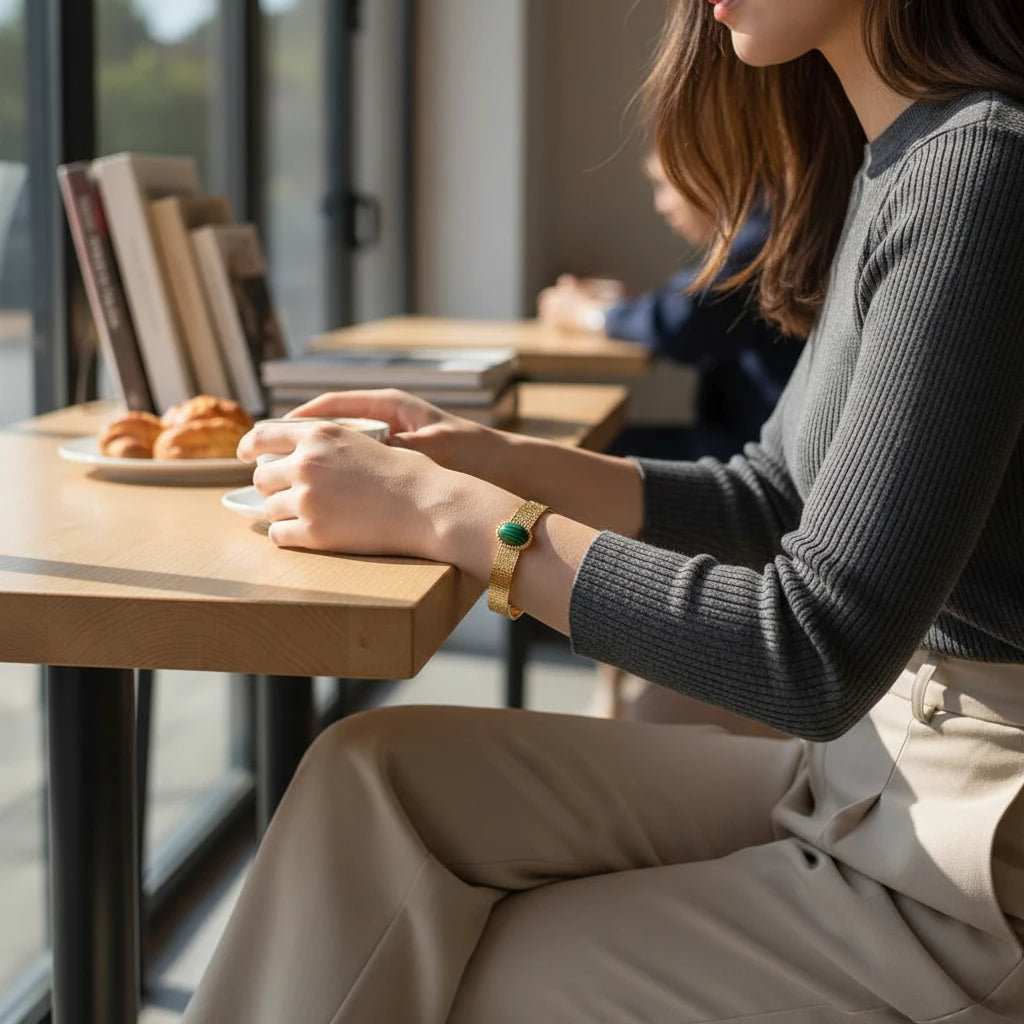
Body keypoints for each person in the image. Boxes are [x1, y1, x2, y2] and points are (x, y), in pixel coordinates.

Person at [183, 0, 1024, 1020]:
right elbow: (774, 494)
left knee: (427, 965)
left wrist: (456, 516)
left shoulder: (981, 168)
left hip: (966, 855)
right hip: (872, 768)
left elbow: (812, 652)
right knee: (374, 779)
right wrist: (490, 457)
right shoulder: (899, 155)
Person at [537, 155, 802, 462]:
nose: (660, 205)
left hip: (751, 457)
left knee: (570, 454)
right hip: (750, 443)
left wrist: (587, 314)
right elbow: (691, 308)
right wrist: (622, 305)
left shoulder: (764, 234)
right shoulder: (763, 228)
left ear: (705, 173)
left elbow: (679, 323)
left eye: (663, 184)